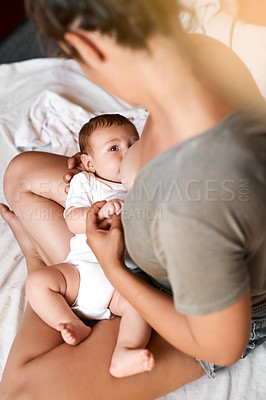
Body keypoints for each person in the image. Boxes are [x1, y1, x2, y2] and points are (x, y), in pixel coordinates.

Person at [0, 0, 265, 399]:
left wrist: (114, 269)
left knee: (21, 391)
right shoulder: (205, 54)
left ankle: (46, 263)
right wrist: (99, 166)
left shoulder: (196, 196)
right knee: (21, 175)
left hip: (185, 294)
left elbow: (220, 343)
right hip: (145, 226)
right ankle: (77, 273)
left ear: (84, 46)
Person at [23, 113, 155, 378]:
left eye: (134, 143)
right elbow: (71, 219)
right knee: (37, 283)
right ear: (89, 163)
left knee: (140, 305)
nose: (127, 153)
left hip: (123, 281)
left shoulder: (144, 184)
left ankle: (125, 351)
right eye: (114, 148)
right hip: (81, 272)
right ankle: (70, 321)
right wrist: (98, 213)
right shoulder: (87, 182)